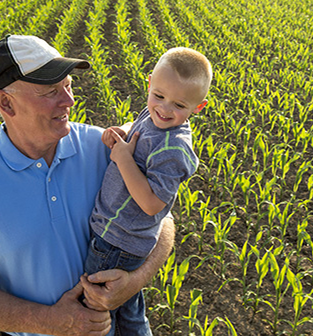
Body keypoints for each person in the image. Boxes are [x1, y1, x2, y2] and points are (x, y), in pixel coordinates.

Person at [0, 34, 175, 336]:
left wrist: (134, 282)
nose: (69, 101)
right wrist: (50, 321)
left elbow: (162, 220)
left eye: (69, 85)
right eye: (50, 92)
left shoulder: (105, 149)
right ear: (6, 103)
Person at [85, 47, 212, 335]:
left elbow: (153, 204)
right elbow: (140, 126)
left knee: (95, 309)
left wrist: (123, 158)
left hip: (118, 241)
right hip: (119, 237)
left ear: (198, 107)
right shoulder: (153, 115)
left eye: (180, 105)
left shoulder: (173, 149)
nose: (165, 110)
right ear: (150, 83)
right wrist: (122, 131)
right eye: (159, 96)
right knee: (128, 312)